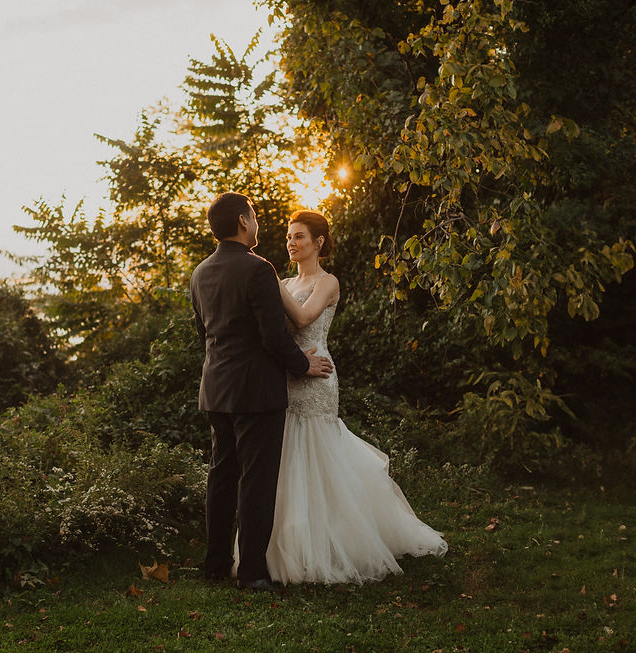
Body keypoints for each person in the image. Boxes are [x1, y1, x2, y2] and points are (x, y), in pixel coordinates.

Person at [267, 210, 448, 585]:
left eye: (299, 236)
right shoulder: (284, 281)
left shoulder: (327, 281)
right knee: (289, 451)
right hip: (290, 373)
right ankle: (291, 542)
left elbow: (303, 319)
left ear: (318, 243)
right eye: (289, 236)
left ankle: (334, 543)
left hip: (318, 374)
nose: (291, 242)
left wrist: (272, 285)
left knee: (316, 448)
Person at [190, 192, 334, 591]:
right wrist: (303, 365)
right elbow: (273, 336)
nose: (256, 223)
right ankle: (252, 570)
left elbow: (203, 332)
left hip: (216, 387)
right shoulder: (258, 269)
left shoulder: (200, 272)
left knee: (222, 475)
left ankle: (216, 563)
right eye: (253, 216)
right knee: (256, 479)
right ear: (242, 220)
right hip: (255, 390)